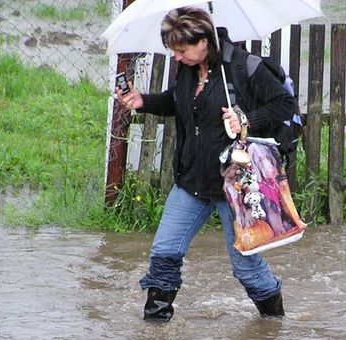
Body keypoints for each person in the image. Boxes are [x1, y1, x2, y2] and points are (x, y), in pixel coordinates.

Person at [115, 7, 295, 322]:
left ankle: (274, 325)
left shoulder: (243, 67)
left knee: (246, 268)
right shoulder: (187, 69)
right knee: (164, 255)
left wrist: (246, 119)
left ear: (204, 41)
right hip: (191, 183)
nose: (177, 57)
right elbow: (176, 101)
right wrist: (144, 102)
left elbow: (284, 104)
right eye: (173, 51)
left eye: (182, 50)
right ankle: (155, 333)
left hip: (236, 185)